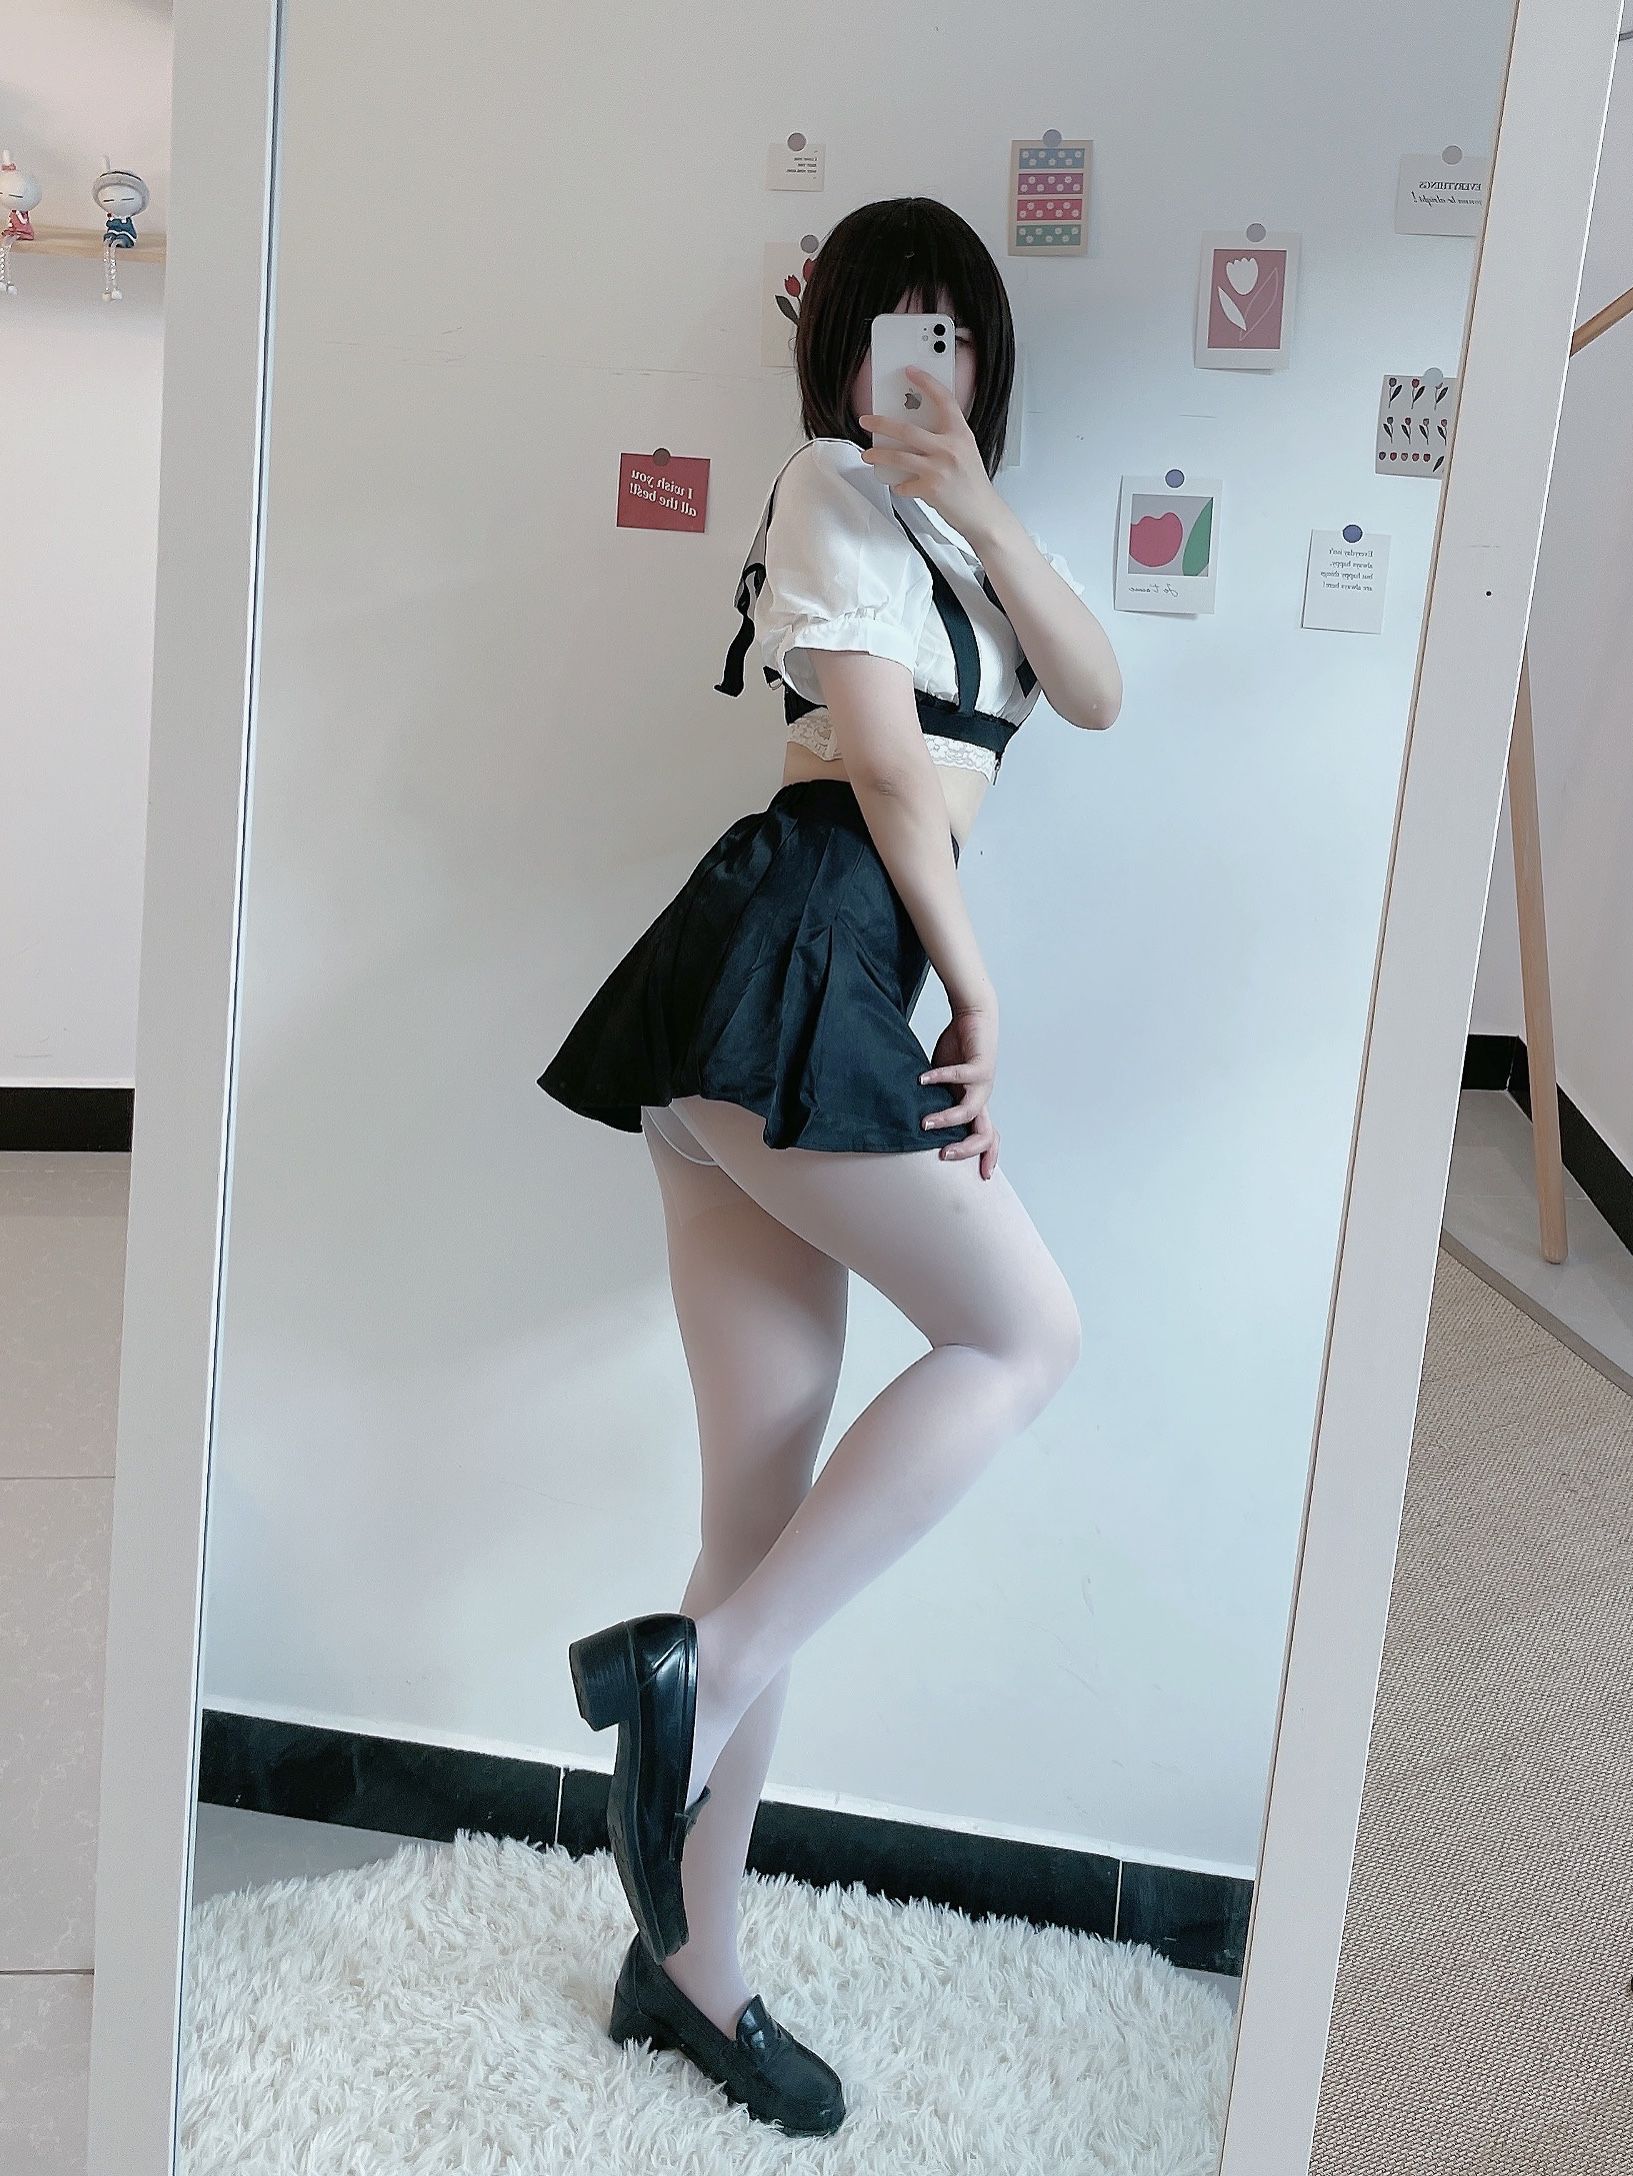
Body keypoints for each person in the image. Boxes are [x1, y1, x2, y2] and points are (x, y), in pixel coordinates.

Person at [538, 195, 1123, 2136]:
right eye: (894, 325)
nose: (926, 358)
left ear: (986, 355)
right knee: (1021, 1334)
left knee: (758, 1524)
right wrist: (979, 993)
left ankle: (685, 1964)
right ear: (839, 352)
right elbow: (879, 764)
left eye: (955, 326)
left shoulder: (963, 533)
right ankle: (696, 1675)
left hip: (793, 984)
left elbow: (1097, 687)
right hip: (801, 953)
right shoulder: (823, 486)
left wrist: (986, 509)